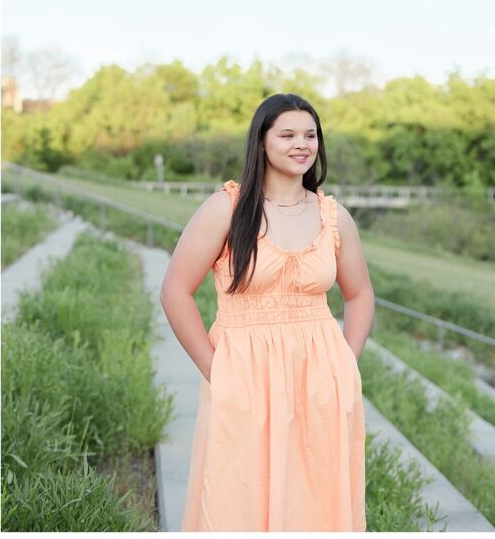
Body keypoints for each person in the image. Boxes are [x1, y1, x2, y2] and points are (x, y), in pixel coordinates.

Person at [159, 93, 375, 531]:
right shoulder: (228, 208)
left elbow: (360, 294)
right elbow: (175, 291)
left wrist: (345, 365)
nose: (302, 144)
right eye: (288, 134)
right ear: (261, 142)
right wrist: (215, 370)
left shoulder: (333, 216)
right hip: (244, 374)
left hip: (321, 379)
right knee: (237, 494)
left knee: (316, 494)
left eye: (311, 135)